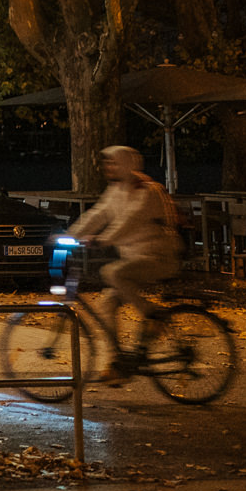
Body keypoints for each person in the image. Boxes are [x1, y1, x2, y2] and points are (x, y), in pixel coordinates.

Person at [67, 144, 182, 382]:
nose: (108, 167)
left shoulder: (148, 190)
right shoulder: (115, 190)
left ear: (127, 165)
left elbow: (129, 221)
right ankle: (116, 363)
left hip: (159, 257)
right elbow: (96, 215)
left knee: (113, 272)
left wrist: (101, 240)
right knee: (106, 303)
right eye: (107, 163)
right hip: (135, 259)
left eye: (114, 163)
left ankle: (153, 316)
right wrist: (69, 235)